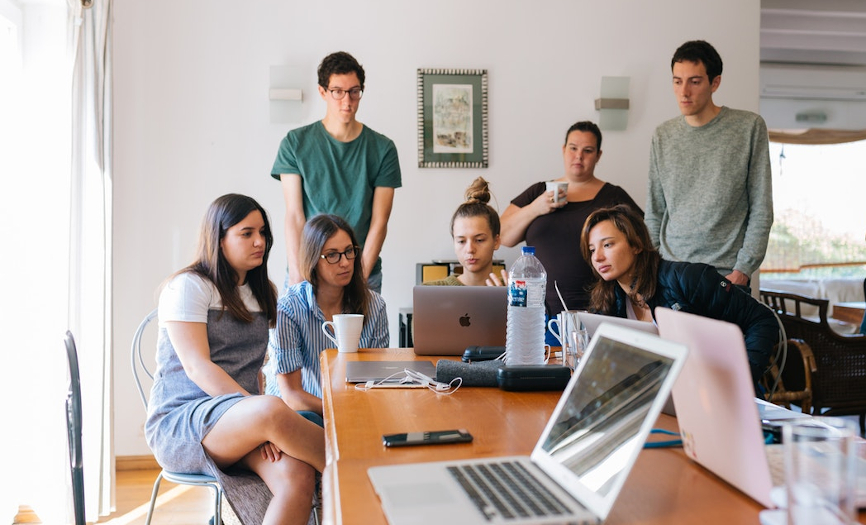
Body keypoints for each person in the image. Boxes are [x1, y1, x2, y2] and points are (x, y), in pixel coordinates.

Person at [145, 194, 324, 525]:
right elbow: (198, 368)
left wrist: (257, 418)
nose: (260, 241)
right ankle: (363, 472)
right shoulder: (189, 286)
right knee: (274, 409)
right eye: (247, 233)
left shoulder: (263, 292)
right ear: (220, 237)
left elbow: (254, 369)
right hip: (184, 423)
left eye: (263, 232)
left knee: (297, 474)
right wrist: (258, 415)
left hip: (242, 422)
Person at [580, 205, 778, 392]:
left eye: (607, 245)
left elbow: (762, 320)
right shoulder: (608, 299)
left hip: (714, 394)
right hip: (663, 397)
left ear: (636, 245)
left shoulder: (688, 279)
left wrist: (740, 382)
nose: (597, 257)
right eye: (591, 250)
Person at [646, 40, 773, 290]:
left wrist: (743, 270)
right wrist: (653, 265)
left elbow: (761, 208)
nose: (684, 92)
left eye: (694, 81)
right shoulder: (663, 135)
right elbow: (654, 211)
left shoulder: (748, 127)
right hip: (671, 273)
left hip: (726, 276)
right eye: (677, 81)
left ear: (715, 83)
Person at [271, 51, 402, 294]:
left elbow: (379, 222)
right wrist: (299, 276)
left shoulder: (383, 149)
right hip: (309, 271)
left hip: (362, 271)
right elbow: (294, 216)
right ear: (323, 92)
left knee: (362, 334)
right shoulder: (295, 144)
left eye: (354, 91)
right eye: (338, 91)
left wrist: (359, 279)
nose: (347, 100)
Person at [500, 120, 642, 312]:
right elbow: (503, 236)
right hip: (538, 310)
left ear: (598, 156)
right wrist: (535, 208)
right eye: (573, 148)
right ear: (563, 149)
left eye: (588, 150)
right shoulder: (538, 192)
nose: (579, 156)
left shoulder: (613, 196)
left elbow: (641, 242)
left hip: (600, 308)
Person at [265, 214, 389, 416]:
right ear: (313, 259)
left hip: (353, 408)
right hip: (301, 412)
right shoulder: (288, 309)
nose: (345, 263)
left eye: (349, 252)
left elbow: (376, 380)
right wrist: (340, 411)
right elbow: (292, 396)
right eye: (332, 255)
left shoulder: (375, 305)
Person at [425, 176, 506, 286]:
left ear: (496, 241)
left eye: (479, 240)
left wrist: (509, 302)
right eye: (461, 241)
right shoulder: (431, 291)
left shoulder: (513, 292)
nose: (470, 250)